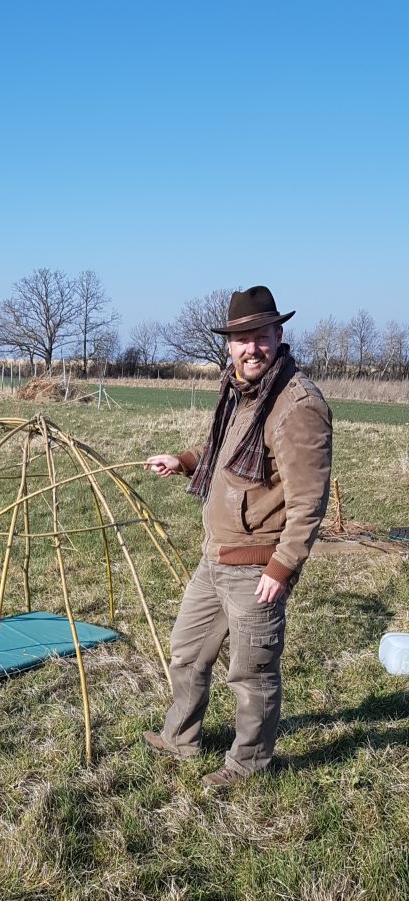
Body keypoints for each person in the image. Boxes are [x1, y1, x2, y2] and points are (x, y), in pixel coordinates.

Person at [144, 285, 332, 789]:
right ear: (229, 344)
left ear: (278, 335)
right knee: (186, 652)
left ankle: (249, 767)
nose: (251, 347)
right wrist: (183, 462)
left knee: (251, 675)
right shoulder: (238, 391)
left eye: (261, 336)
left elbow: (309, 501)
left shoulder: (297, 405)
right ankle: (181, 738)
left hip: (258, 567)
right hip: (215, 559)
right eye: (241, 338)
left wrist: (283, 566)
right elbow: (218, 451)